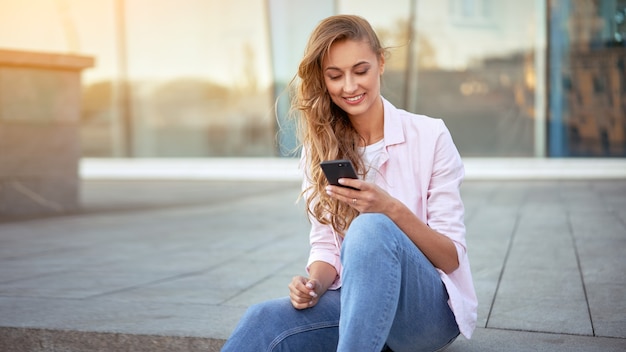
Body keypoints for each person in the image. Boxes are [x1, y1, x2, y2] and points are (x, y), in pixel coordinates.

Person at [221, 14, 477, 352]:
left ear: (380, 63)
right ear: (323, 80)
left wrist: (389, 209)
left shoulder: (430, 136)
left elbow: (450, 258)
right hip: (357, 304)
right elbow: (326, 246)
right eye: (335, 76)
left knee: (371, 229)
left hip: (426, 316)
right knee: (262, 319)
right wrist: (313, 283)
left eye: (361, 71)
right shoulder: (319, 148)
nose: (350, 87)